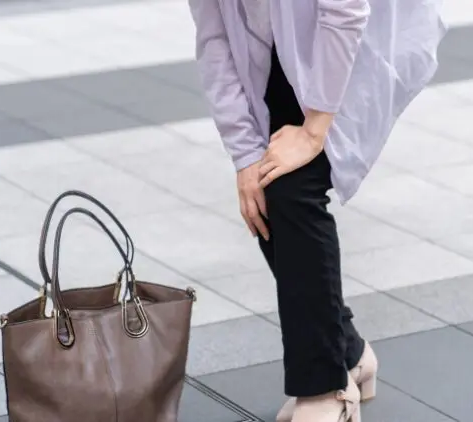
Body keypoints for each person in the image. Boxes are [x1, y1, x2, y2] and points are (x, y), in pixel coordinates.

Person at [188, 1, 445, 421]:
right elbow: (214, 38)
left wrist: (313, 130)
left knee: (293, 191)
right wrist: (244, 154)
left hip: (349, 45)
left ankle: (326, 389)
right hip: (276, 49)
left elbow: (345, 12)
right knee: (264, 190)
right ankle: (350, 355)